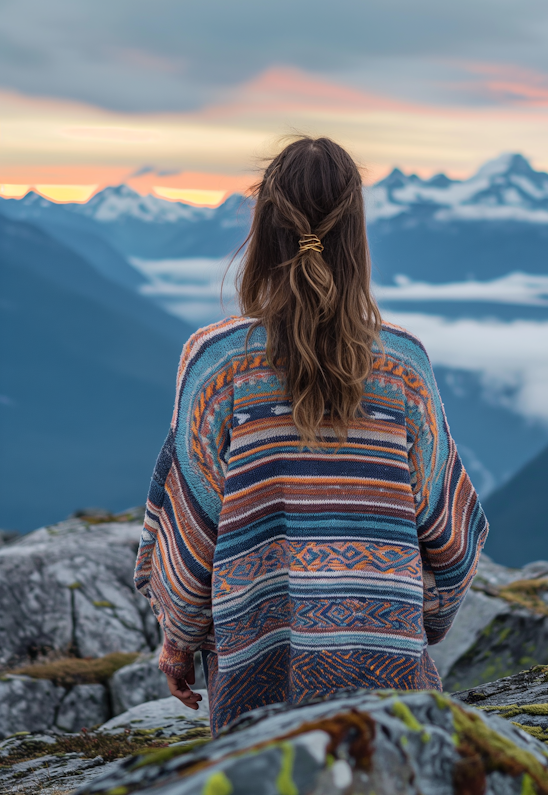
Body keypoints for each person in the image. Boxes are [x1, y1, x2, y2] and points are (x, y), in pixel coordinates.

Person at [134, 136, 488, 736]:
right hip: (389, 690)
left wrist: (178, 643)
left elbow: (193, 532)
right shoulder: (404, 364)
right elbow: (451, 538)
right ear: (357, 237)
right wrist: (414, 621)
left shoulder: (215, 363)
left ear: (264, 229)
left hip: (255, 682)